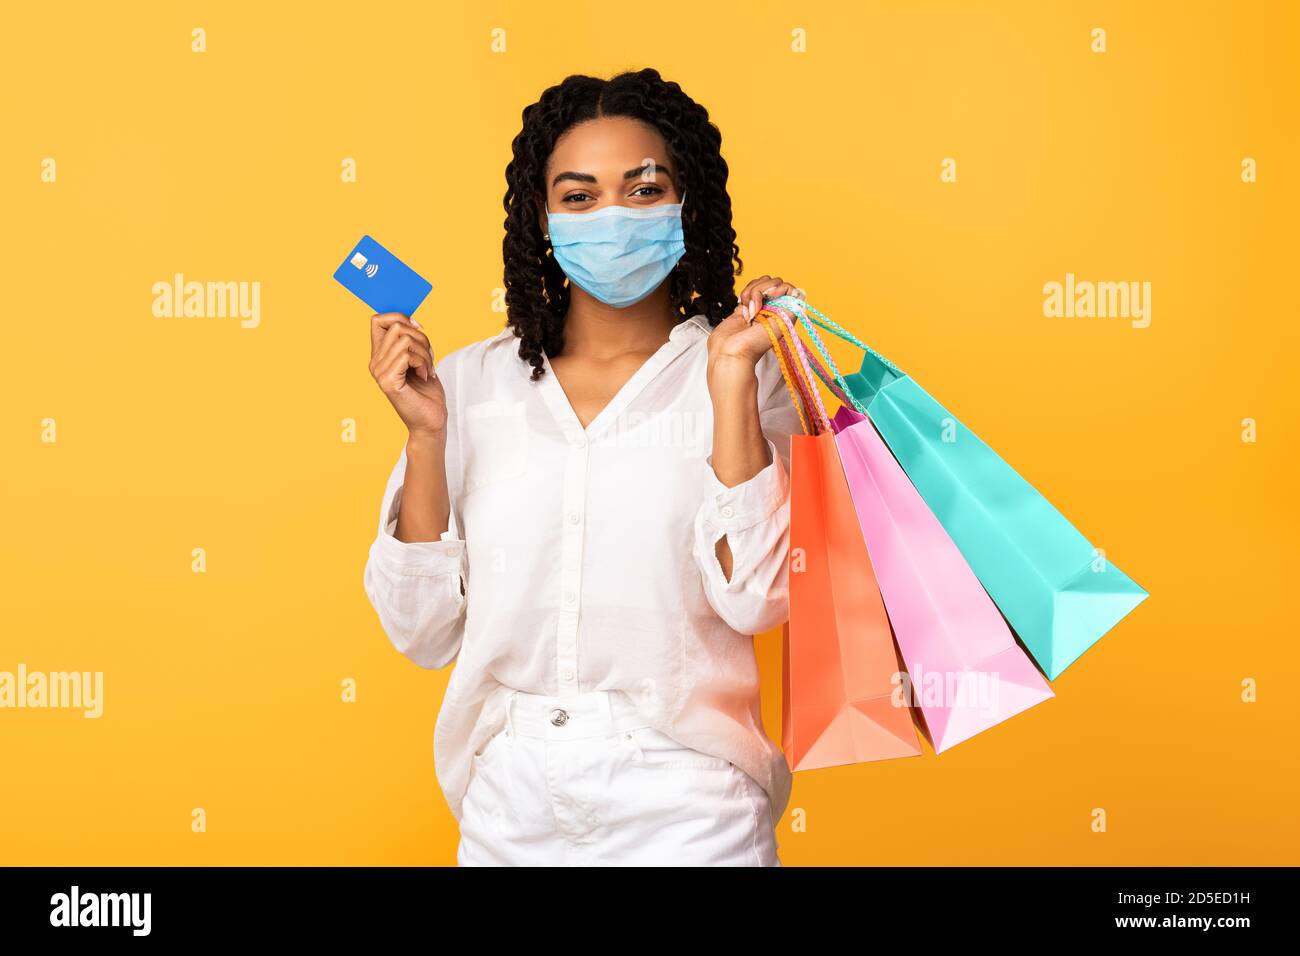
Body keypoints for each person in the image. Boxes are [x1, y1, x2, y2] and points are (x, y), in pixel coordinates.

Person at [362, 67, 803, 866]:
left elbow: (759, 600)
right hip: (510, 805)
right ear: (542, 219)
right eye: (578, 196)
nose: (611, 216)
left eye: (641, 190)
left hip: (691, 802)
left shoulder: (751, 371)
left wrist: (731, 377)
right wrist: (428, 437)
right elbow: (420, 632)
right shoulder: (467, 385)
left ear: (687, 204)